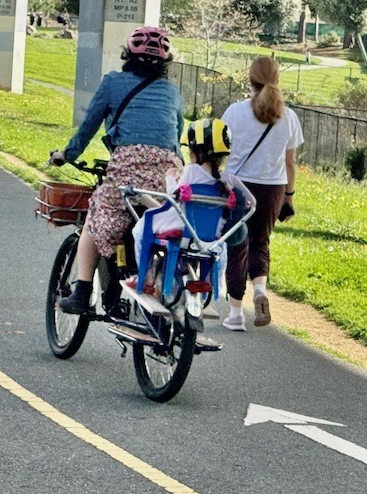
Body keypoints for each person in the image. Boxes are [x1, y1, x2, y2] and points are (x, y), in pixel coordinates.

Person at [50, 26, 185, 316]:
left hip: (128, 168)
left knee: (95, 218)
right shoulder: (172, 92)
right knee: (157, 221)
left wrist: (66, 155)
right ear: (165, 62)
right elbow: (176, 134)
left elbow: (88, 126)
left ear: (128, 55)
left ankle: (82, 292)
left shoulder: (112, 83)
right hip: (169, 172)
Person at [221, 56, 304, 330]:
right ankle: (259, 291)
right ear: (277, 79)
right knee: (260, 241)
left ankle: (236, 315)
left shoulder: (235, 112)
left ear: (250, 79)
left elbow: (221, 148)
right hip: (273, 188)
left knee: (237, 246)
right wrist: (289, 196)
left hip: (239, 186)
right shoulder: (289, 117)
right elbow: (290, 163)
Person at [127, 118, 256, 295]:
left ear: (197, 151)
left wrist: (170, 176)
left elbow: (174, 197)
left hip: (184, 226)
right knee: (221, 246)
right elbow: (252, 203)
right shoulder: (228, 179)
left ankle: (146, 277)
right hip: (213, 234)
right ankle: (212, 283)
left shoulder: (192, 171)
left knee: (140, 229)